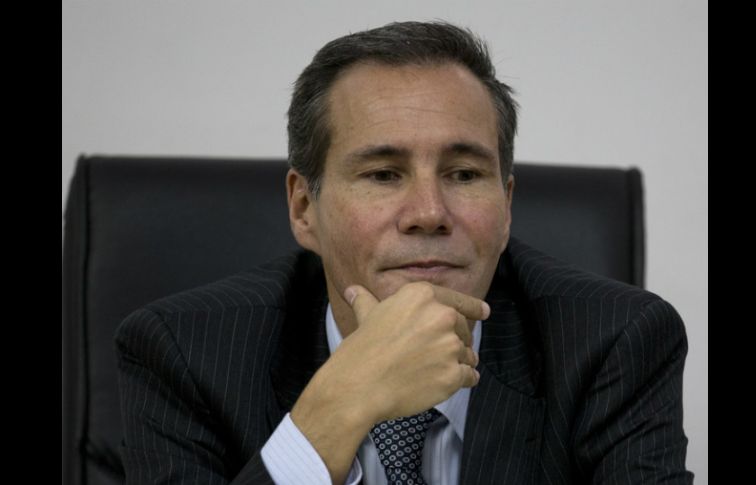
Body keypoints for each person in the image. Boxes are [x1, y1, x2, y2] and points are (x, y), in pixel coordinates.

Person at [115, 21, 693, 484]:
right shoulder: (184, 354)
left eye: (464, 174)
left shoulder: (612, 343)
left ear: (507, 205)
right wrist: (339, 406)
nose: (429, 212)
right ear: (304, 208)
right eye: (383, 174)